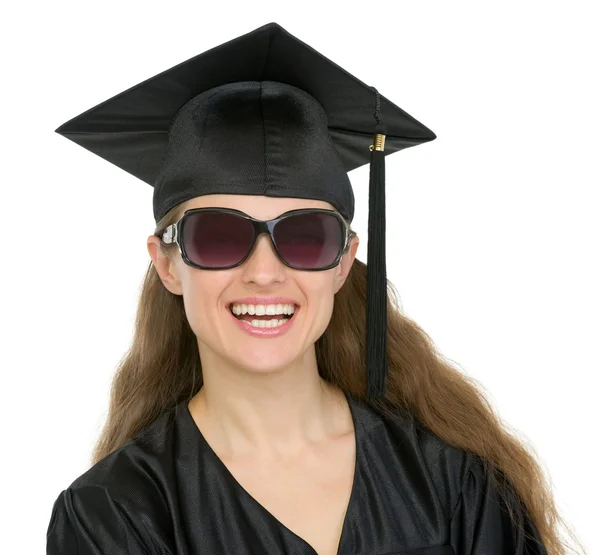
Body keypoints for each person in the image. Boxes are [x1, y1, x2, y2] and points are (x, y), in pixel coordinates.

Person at [46, 22, 575, 555]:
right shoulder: (115, 515)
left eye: (304, 236)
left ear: (344, 262)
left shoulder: (452, 485)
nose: (264, 272)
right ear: (167, 264)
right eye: (219, 235)